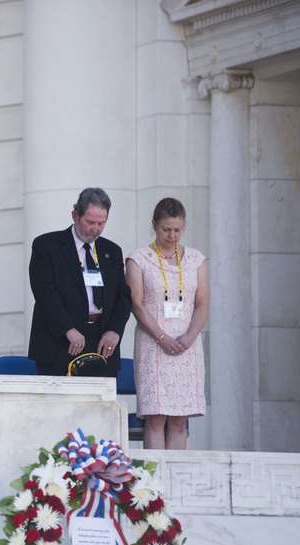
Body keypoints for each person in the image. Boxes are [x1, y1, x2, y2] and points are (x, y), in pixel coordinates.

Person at [126, 197, 209, 450]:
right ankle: (155, 485)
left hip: (187, 345)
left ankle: (176, 481)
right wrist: (162, 337)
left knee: (179, 419)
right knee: (156, 417)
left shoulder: (196, 259)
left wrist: (190, 337)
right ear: (154, 225)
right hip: (154, 344)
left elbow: (203, 302)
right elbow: (136, 304)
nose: (172, 235)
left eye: (177, 229)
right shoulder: (138, 258)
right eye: (166, 230)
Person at [28, 187, 132, 377]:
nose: (95, 229)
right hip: (60, 342)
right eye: (90, 222)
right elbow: (45, 293)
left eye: (101, 223)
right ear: (75, 215)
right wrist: (68, 329)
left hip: (102, 343)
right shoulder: (47, 246)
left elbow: (123, 296)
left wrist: (115, 331)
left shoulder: (112, 251)